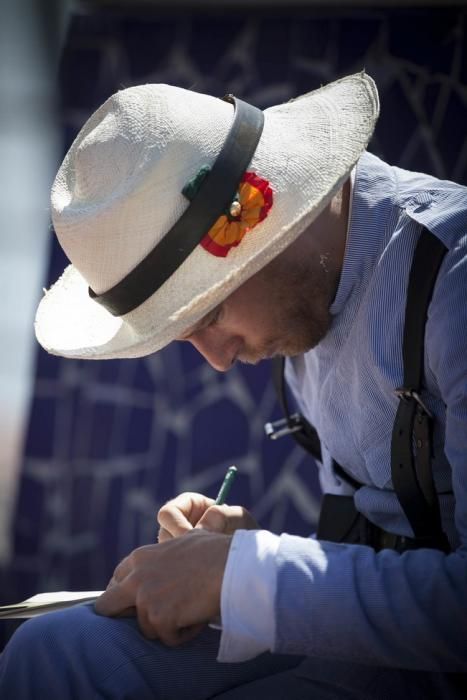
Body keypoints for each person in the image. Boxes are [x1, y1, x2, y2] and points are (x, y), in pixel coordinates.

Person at [0, 72, 466, 699]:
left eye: (210, 313)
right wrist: (236, 558)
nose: (218, 361)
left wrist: (246, 579)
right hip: (367, 649)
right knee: (51, 653)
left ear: (273, 222)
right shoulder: (306, 294)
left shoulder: (453, 279)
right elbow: (388, 539)